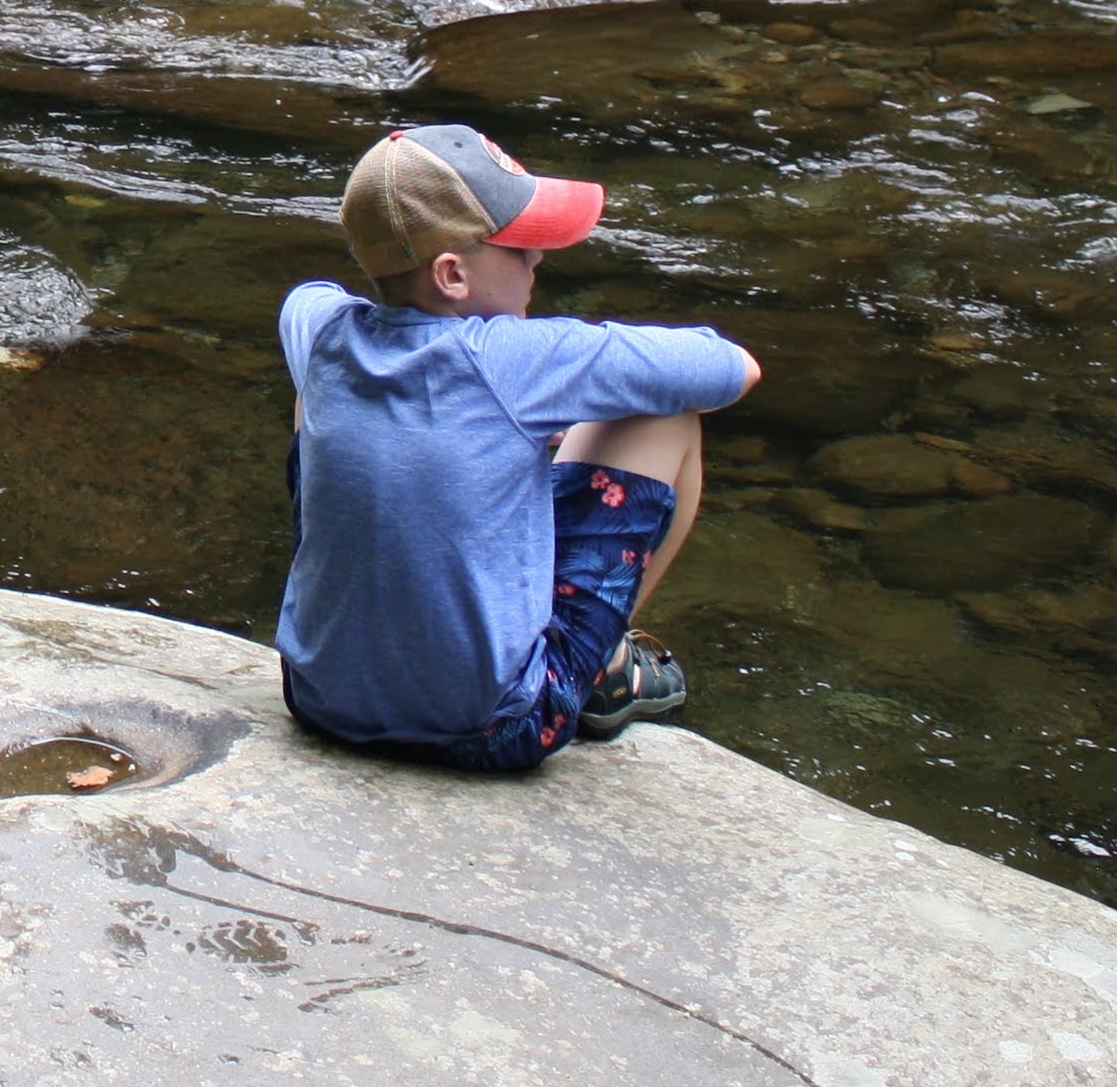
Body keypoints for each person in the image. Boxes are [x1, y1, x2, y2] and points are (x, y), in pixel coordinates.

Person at [276, 121, 760, 772]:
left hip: (319, 702)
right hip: (494, 731)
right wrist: (566, 395)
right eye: (520, 248)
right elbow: (732, 369)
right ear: (451, 274)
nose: (538, 260)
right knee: (666, 417)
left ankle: (365, 643)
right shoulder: (521, 359)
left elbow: (310, 297)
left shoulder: (317, 323)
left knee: (317, 388)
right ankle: (609, 667)